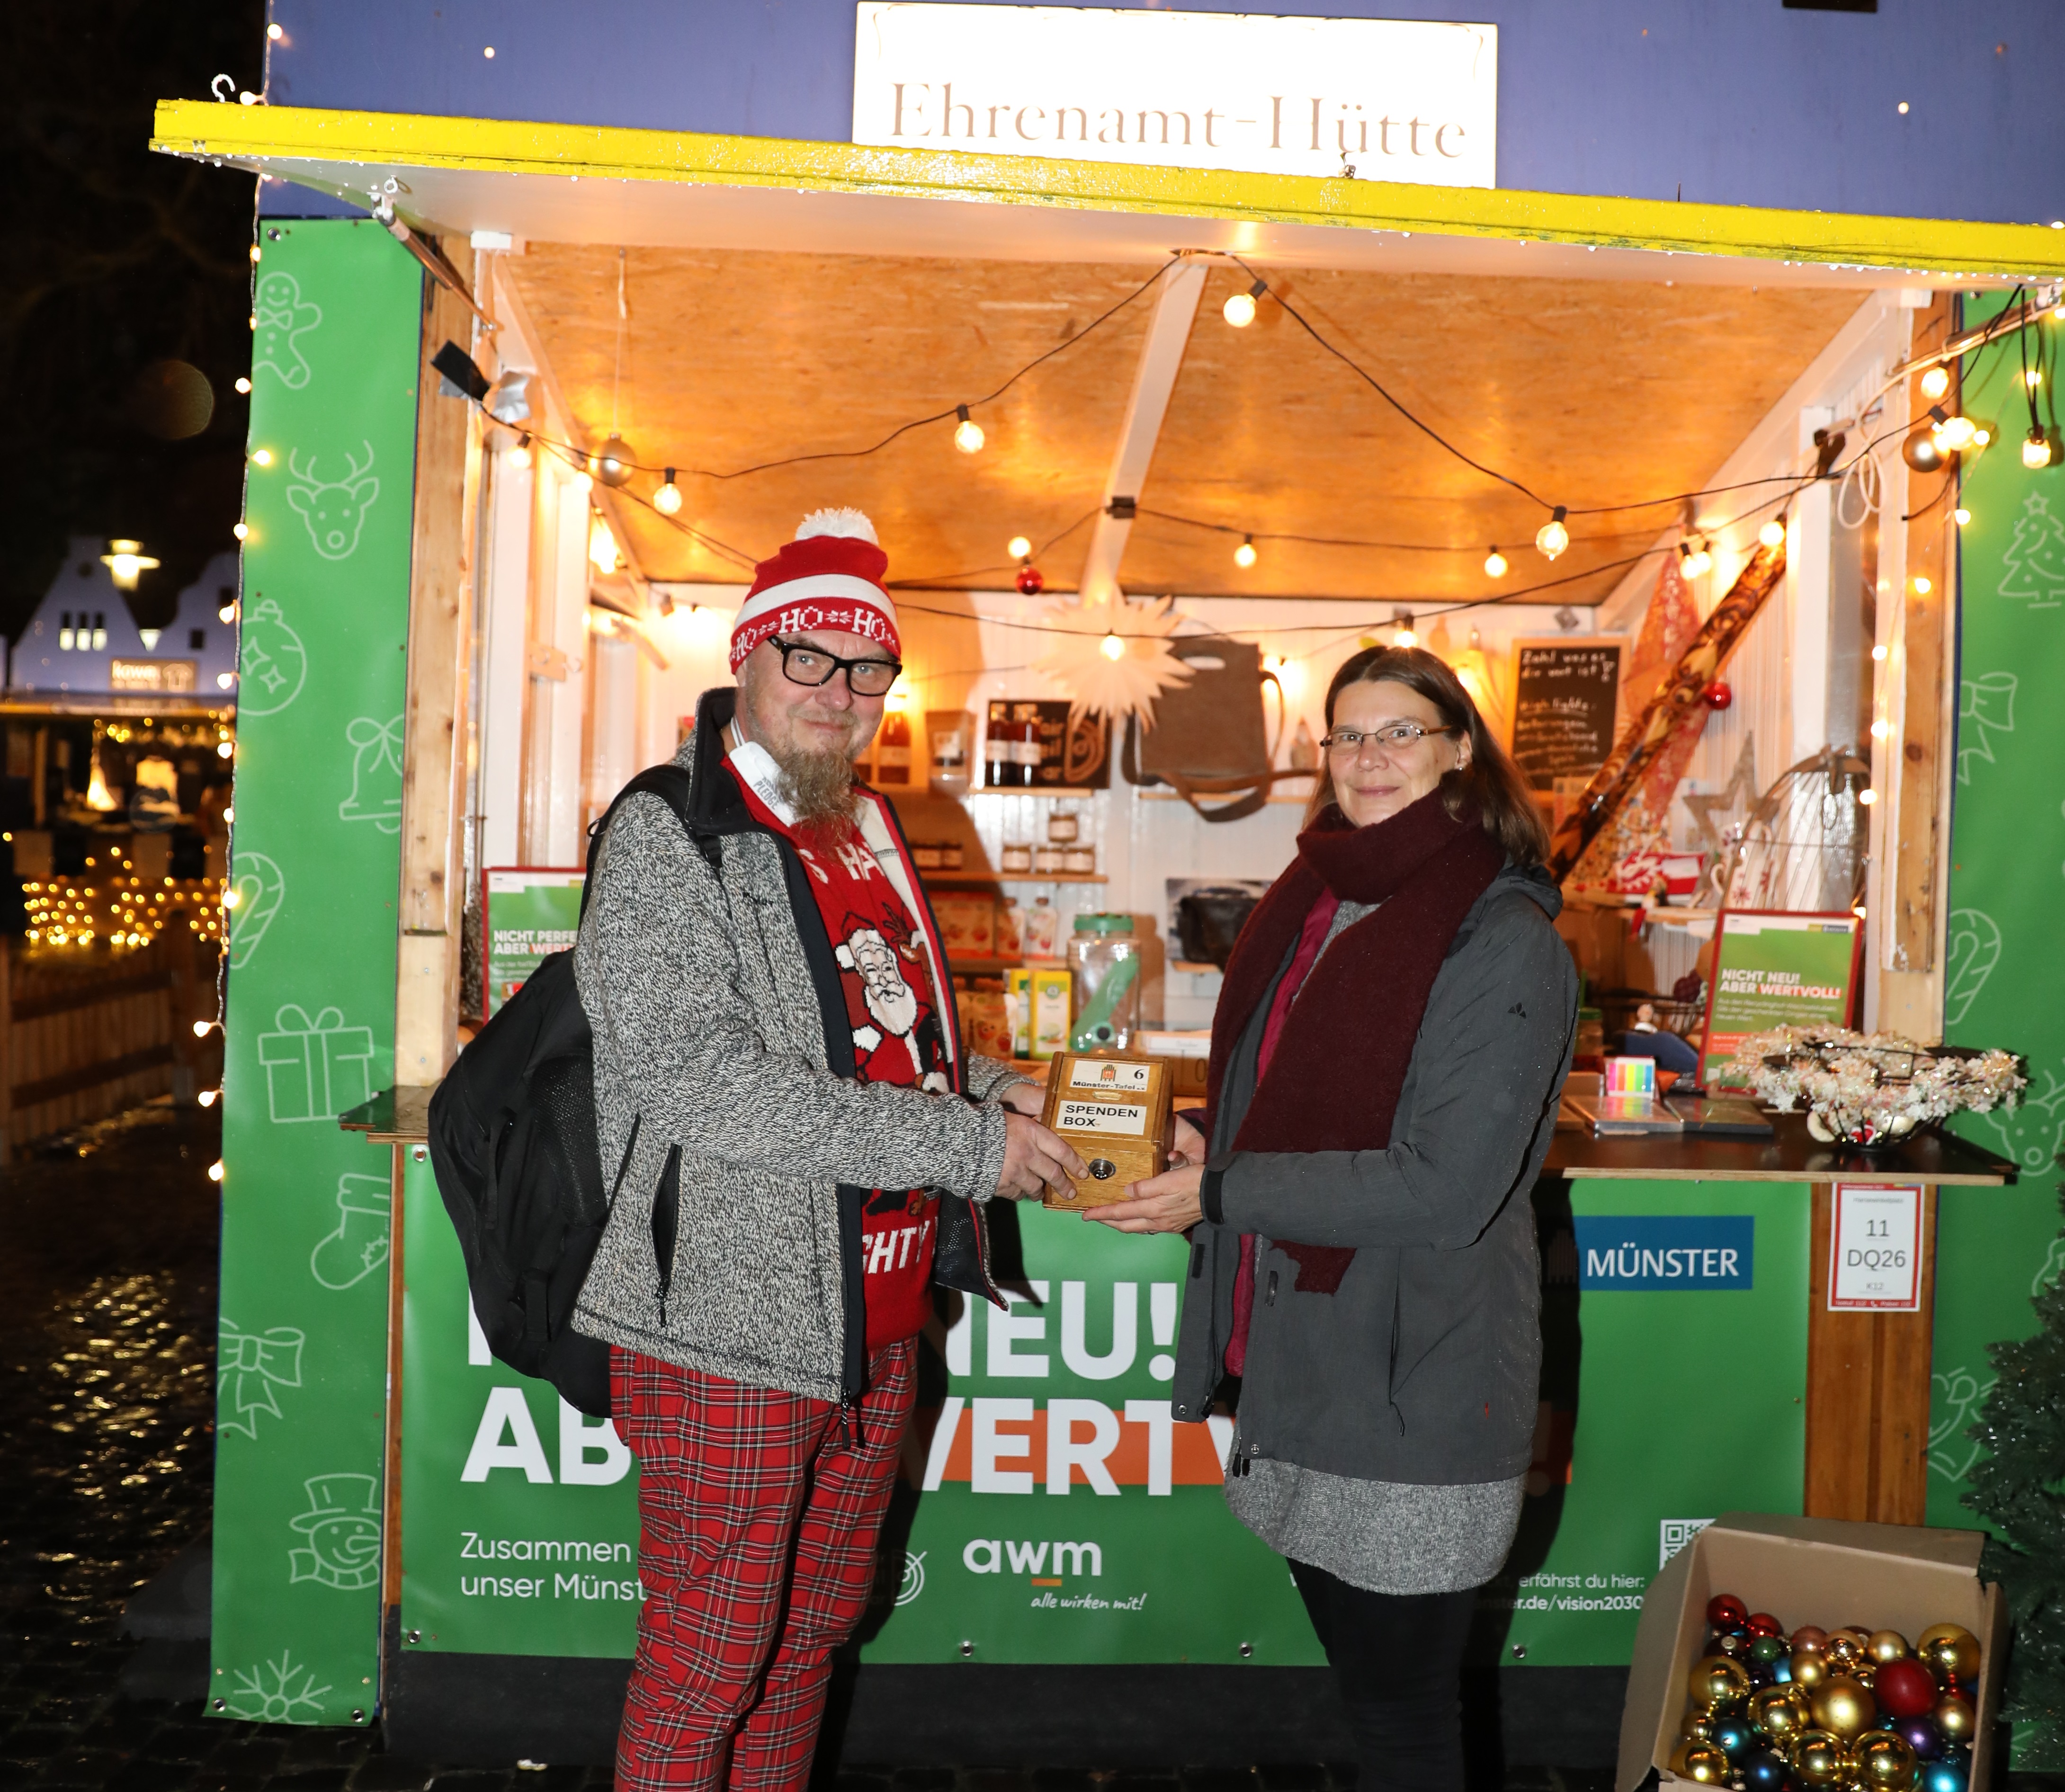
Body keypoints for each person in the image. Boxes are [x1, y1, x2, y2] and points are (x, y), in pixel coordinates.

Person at [572, 508, 1082, 1792]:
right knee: (709, 1667)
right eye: (810, 657)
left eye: (869, 671)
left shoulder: (865, 827)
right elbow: (698, 1079)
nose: (841, 693)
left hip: (878, 1316)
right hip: (731, 1322)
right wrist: (971, 1147)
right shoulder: (669, 831)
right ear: (746, 656)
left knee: (807, 1644)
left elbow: (895, 1050)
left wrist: (1036, 1100)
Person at [1089, 645, 1578, 1792]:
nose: (1369, 759)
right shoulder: (1316, 899)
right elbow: (1289, 1098)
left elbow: (1444, 1186)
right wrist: (1216, 1139)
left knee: (1407, 1718)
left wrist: (1220, 1192)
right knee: (1378, 1702)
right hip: (1310, 1368)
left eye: (1400, 732)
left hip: (1417, 1384)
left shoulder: (1501, 939)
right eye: (1348, 735)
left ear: (1462, 750)